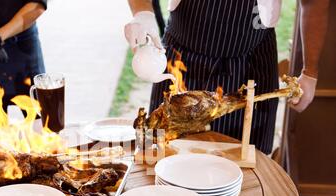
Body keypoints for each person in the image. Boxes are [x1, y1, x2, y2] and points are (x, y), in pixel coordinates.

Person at [125, 0, 329, 154]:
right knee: (162, 156)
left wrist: (310, 72)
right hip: (183, 58)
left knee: (248, 170)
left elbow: (314, 3)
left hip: (252, 63)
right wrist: (142, 14)